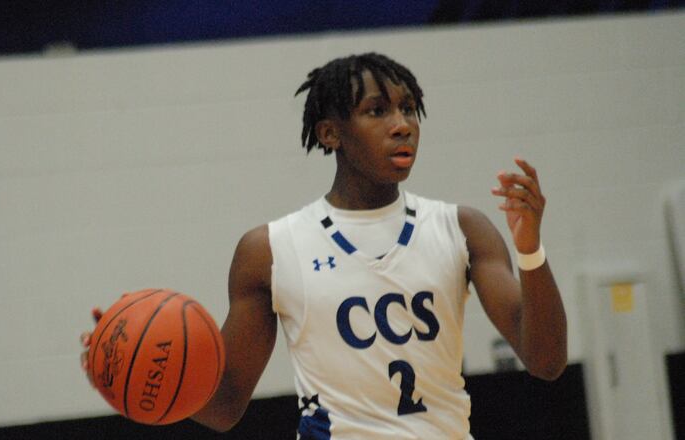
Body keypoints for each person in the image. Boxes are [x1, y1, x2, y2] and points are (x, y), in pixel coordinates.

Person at [81, 52, 567, 439]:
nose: (402, 124)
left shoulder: (463, 228)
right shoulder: (269, 251)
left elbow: (546, 361)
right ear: (330, 133)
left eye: (408, 109)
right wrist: (122, 365)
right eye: (377, 111)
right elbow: (224, 406)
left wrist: (531, 251)